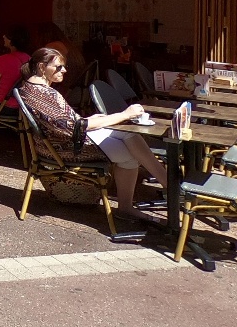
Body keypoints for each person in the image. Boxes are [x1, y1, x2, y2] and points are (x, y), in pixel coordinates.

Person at [18, 47, 167, 212]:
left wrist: (90, 119)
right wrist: (124, 114)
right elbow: (74, 127)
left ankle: (164, 186)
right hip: (65, 148)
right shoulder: (44, 94)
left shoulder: (30, 87)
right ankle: (165, 189)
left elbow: (65, 122)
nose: (64, 70)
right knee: (128, 148)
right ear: (41, 67)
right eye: (59, 67)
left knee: (127, 138)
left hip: (61, 141)